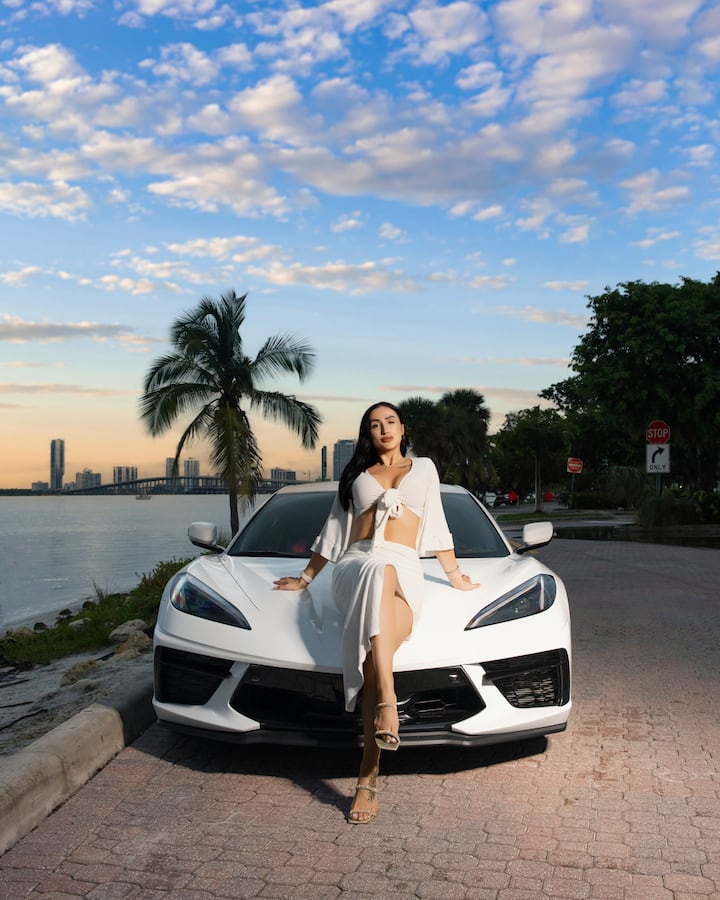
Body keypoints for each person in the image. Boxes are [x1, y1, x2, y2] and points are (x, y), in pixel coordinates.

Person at [274, 402, 479, 824]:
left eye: (390, 422)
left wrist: (455, 575)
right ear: (367, 434)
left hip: (405, 570)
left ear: (402, 428)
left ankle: (369, 770)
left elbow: (437, 525)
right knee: (377, 569)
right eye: (374, 425)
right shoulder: (356, 477)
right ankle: (387, 706)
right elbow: (334, 531)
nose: (383, 429)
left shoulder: (424, 468)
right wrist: (306, 578)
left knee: (373, 658)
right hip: (357, 565)